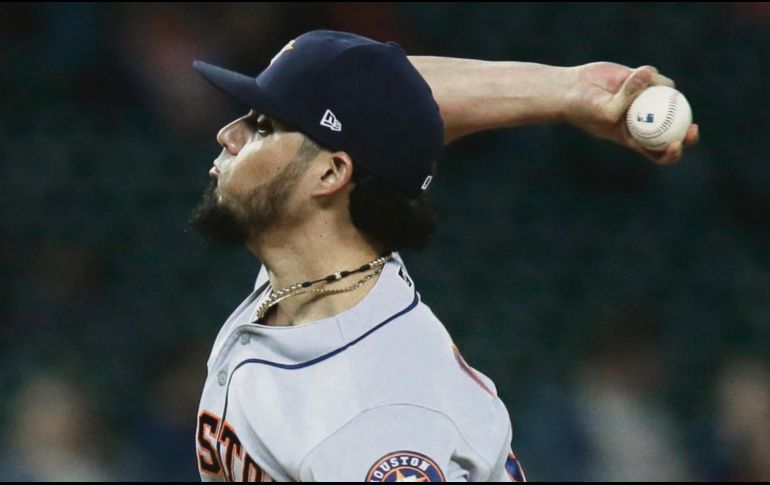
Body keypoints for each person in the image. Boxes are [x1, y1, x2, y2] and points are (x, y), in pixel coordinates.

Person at [189, 30, 698, 482]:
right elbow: (391, 103)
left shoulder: (375, 417)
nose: (227, 135)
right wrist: (570, 91)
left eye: (262, 126)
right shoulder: (316, 267)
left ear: (330, 174)